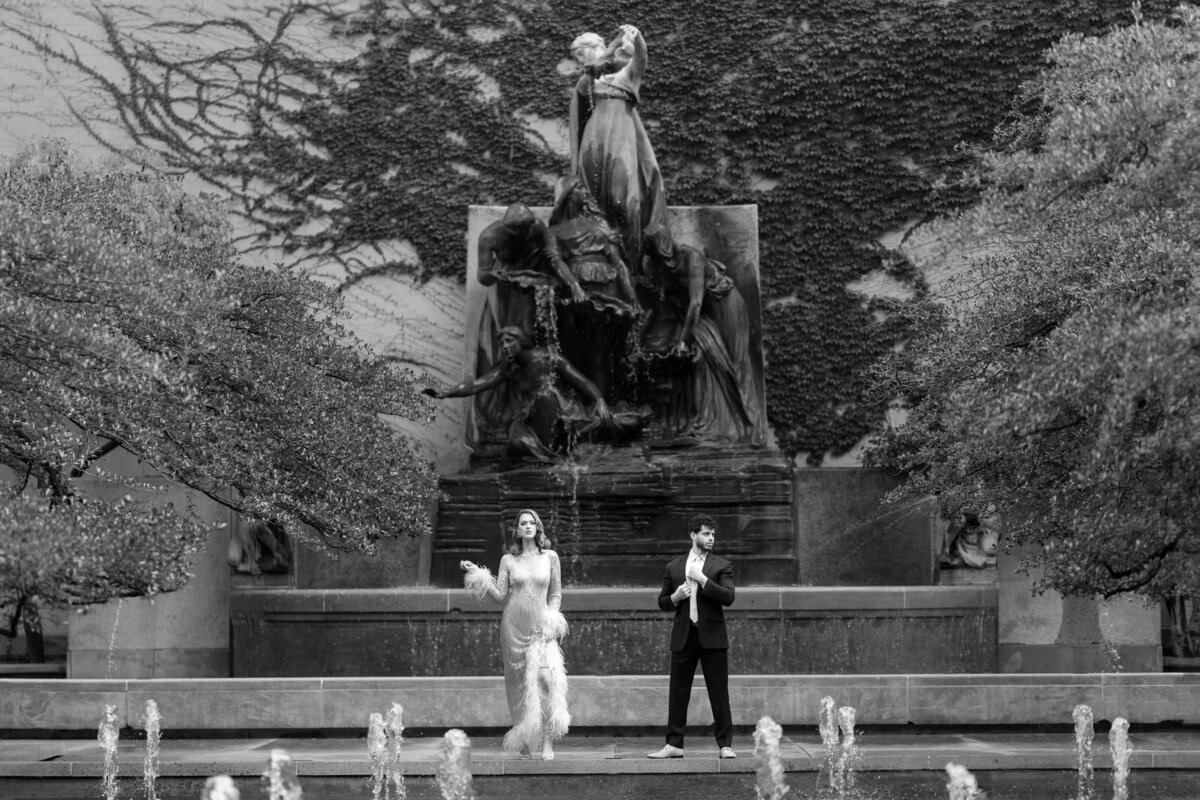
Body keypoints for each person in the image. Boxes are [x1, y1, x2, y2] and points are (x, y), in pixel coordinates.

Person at [460, 509, 570, 760]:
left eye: (532, 523)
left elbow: (555, 594)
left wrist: (551, 620)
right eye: (524, 523)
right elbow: (500, 595)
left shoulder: (550, 557)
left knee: (545, 680)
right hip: (513, 627)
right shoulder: (508, 560)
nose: (528, 526)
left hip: (540, 627)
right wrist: (478, 573)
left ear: (538, 528)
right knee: (519, 685)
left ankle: (547, 743)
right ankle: (523, 740)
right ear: (518, 530)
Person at [568, 24, 670, 276]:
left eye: (581, 53)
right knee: (592, 200)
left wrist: (637, 37)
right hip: (594, 140)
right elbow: (589, 74)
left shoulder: (626, 77)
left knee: (623, 199)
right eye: (577, 57)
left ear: (595, 48)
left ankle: (632, 263)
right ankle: (603, 260)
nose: (579, 60)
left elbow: (641, 58)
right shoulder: (588, 82)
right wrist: (611, 48)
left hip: (621, 139)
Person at [424, 326, 612, 462]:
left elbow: (582, 381)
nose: (504, 346)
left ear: (521, 341)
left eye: (509, 341)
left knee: (544, 397)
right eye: (501, 342)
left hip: (558, 410)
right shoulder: (509, 368)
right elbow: (476, 385)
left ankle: (559, 450)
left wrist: (599, 400)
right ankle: (551, 454)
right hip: (529, 419)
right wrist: (446, 393)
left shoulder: (549, 357)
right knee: (517, 444)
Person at [640, 224, 756, 443]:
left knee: (736, 361)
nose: (653, 254)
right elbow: (657, 305)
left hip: (722, 305)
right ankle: (702, 418)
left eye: (655, 248)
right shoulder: (654, 265)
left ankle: (746, 426)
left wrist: (682, 341)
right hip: (695, 315)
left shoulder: (691, 257)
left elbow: (695, 303)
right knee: (700, 355)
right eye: (650, 250)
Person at [648, 514, 736, 759]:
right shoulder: (674, 567)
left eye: (713, 534)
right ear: (693, 535)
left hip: (712, 638)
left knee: (719, 692)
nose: (711, 538)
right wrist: (675, 597)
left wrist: (703, 580)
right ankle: (674, 745)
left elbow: (728, 597)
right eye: (706, 534)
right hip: (684, 636)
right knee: (678, 693)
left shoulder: (722, 565)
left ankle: (725, 746)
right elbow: (663, 602)